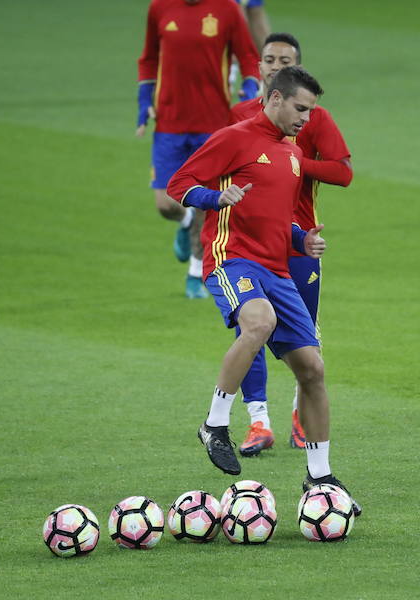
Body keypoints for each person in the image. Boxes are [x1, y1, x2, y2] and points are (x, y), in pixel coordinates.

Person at [167, 66, 361, 515]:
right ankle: (215, 425)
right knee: (259, 321)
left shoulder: (291, 153)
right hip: (233, 258)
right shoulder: (234, 138)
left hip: (277, 268)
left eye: (310, 111)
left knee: (312, 369)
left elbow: (280, 216)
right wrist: (217, 198)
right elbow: (181, 184)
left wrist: (301, 240)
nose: (306, 120)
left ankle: (320, 476)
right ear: (274, 99)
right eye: (300, 109)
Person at [230, 33, 353, 457]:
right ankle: (257, 422)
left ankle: (301, 416)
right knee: (252, 330)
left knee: (305, 338)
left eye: (285, 60)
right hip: (247, 241)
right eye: (268, 59)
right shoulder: (238, 118)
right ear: (261, 68)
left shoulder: (311, 116)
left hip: (299, 243)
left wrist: (296, 162)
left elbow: (343, 172)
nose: (274, 66)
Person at [136, 0, 261, 298]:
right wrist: (144, 100)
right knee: (166, 204)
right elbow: (148, 59)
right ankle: (186, 219)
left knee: (205, 202)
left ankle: (195, 272)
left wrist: (250, 88)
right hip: (169, 122)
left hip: (213, 125)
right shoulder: (160, 8)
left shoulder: (227, 9)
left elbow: (246, 54)